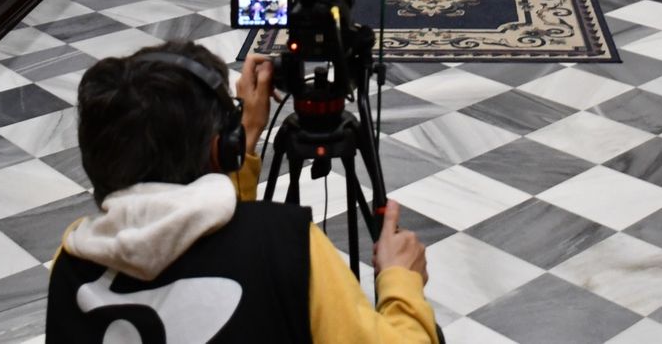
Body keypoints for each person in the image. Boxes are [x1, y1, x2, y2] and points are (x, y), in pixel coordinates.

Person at [45, 41, 437, 343]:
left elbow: (206, 241)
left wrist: (247, 138)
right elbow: (237, 252)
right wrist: (400, 281)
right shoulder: (286, 242)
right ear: (223, 147)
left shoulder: (71, 263)